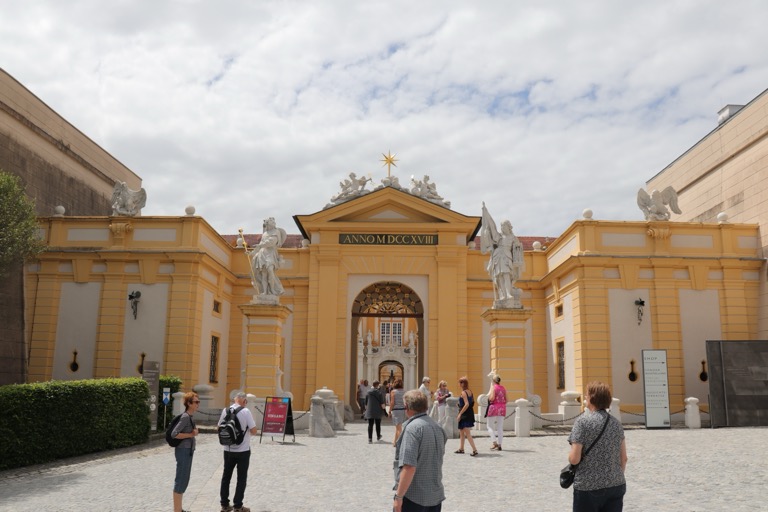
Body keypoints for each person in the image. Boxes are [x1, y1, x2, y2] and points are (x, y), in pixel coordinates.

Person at [567, 381, 628, 512]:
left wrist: (570, 455)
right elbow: (623, 458)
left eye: (587, 395)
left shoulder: (582, 422)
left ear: (592, 398)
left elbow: (574, 459)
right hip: (616, 484)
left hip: (588, 486)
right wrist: (613, 477)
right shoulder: (616, 423)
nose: (585, 397)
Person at [392, 390, 447, 512]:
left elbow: (409, 466)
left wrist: (398, 497)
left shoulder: (412, 429)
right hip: (435, 494)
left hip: (414, 496)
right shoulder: (438, 427)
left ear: (406, 407)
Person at [218, 392, 258, 512]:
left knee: (226, 477)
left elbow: (219, 427)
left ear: (234, 400)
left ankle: (224, 505)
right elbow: (254, 431)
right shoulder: (246, 411)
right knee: (241, 478)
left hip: (228, 449)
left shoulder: (225, 410)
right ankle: (238, 506)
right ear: (244, 401)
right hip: (243, 450)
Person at [171, 392, 199, 512]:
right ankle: (177, 510)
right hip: (183, 451)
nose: (198, 404)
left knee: (184, 479)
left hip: (188, 451)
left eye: (198, 402)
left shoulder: (190, 417)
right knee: (181, 479)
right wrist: (191, 434)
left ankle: (179, 509)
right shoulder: (185, 417)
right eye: (196, 402)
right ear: (189, 403)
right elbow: (174, 434)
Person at [248, 217, 286, 296]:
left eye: (273, 222)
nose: (273, 223)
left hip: (271, 254)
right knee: (264, 274)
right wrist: (251, 253)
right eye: (271, 222)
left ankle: (272, 289)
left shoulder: (276, 232)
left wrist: (261, 245)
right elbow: (259, 246)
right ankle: (265, 291)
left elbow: (272, 242)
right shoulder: (265, 234)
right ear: (268, 224)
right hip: (262, 254)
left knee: (270, 271)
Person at [455, 376, 478, 456]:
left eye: (460, 382)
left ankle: (474, 450)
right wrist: (459, 405)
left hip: (465, 414)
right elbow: (471, 403)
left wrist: (460, 414)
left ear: (462, 384)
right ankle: (461, 448)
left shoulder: (464, 392)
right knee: (461, 431)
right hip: (469, 413)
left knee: (467, 433)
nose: (459, 384)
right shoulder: (470, 391)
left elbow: (467, 404)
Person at [485, 373, 507, 451]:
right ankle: (500, 445)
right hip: (502, 408)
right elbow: (507, 400)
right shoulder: (503, 388)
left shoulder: (493, 387)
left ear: (493, 381)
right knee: (500, 427)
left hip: (494, 407)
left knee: (489, 426)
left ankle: (494, 442)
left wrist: (489, 398)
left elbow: (492, 398)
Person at [389, 379, 406, 446]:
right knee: (398, 427)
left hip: (396, 410)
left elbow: (392, 402)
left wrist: (389, 411)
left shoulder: (393, 392)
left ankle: (401, 443)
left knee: (398, 428)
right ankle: (395, 442)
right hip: (403, 410)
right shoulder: (405, 391)